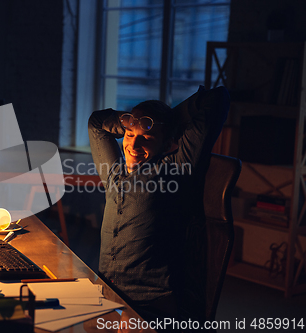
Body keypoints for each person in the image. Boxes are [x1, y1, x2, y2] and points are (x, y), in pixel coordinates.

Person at [87, 85, 230, 322]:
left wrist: (169, 119)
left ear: (167, 143)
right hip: (107, 291)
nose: (133, 146)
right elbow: (96, 123)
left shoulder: (176, 169)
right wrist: (133, 121)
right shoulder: (114, 172)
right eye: (129, 135)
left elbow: (218, 98)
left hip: (148, 303)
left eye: (147, 137)